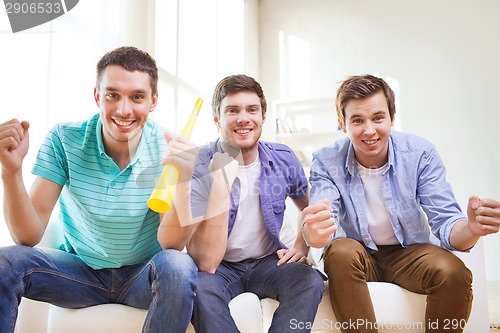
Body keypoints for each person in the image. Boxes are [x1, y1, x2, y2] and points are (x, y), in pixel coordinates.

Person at [0, 46, 198, 333]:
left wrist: (185, 180)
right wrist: (10, 172)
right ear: (97, 96)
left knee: (179, 266)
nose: (124, 109)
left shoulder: (169, 149)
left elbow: (172, 245)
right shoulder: (64, 139)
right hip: (78, 273)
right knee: (5, 262)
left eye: (137, 97)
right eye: (112, 95)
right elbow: (27, 236)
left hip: (143, 275)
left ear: (153, 101)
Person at [301, 74, 500, 333]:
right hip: (356, 256)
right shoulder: (326, 161)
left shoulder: (420, 153)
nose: (369, 130)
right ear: (342, 124)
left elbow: (447, 223)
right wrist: (313, 234)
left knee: (453, 272)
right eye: (357, 120)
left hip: (409, 253)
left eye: (378, 118)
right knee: (340, 251)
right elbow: (321, 227)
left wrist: (472, 228)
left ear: (392, 118)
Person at [184, 74, 325, 332]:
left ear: (263, 117)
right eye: (232, 110)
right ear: (217, 119)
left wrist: (300, 246)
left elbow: (310, 207)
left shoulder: (283, 158)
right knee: (197, 289)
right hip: (219, 267)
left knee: (309, 280)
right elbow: (199, 256)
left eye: (252, 109)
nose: (243, 118)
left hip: (267, 262)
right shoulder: (197, 163)